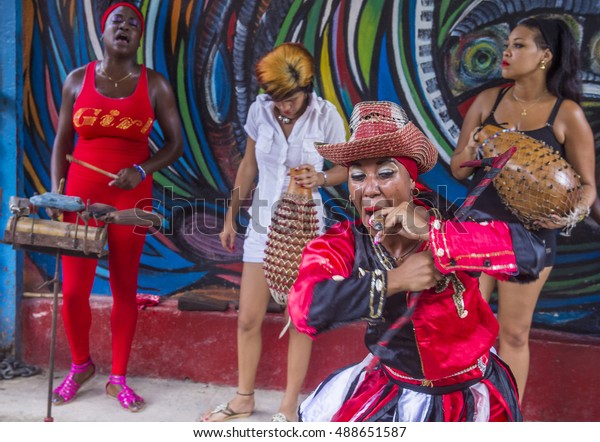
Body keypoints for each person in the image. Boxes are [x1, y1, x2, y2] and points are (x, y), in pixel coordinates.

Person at [287, 100, 544, 422]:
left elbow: (530, 256)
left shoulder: (451, 220)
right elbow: (305, 309)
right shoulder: (345, 242)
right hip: (392, 391)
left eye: (384, 173)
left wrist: (435, 234)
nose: (369, 189)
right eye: (356, 176)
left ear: (411, 180)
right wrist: (395, 281)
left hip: (472, 394)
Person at [450, 16, 596, 400]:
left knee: (513, 333)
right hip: (479, 231)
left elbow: (587, 187)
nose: (507, 52)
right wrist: (479, 146)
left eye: (518, 45)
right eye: (506, 44)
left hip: (530, 238)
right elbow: (456, 165)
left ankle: (504, 418)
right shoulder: (488, 101)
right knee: (465, 327)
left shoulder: (566, 115)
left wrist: (571, 214)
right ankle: (464, 410)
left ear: (544, 55)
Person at [200, 43, 347, 422]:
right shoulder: (259, 112)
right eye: (277, 98)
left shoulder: (325, 115)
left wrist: (323, 177)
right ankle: (243, 397)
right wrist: (232, 215)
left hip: (306, 230)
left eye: (291, 98)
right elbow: (248, 165)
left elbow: (349, 167)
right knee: (248, 317)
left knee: (299, 318)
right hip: (263, 225)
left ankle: (288, 406)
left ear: (307, 88)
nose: (284, 106)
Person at [49, 2, 183, 412]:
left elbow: (176, 145)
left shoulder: (155, 84)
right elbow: (61, 144)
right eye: (116, 22)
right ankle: (80, 365)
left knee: (124, 287)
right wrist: (57, 191)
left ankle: (118, 378)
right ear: (103, 33)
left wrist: (141, 168)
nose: (124, 28)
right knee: (73, 290)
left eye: (132, 25)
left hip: (131, 192)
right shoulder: (77, 80)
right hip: (81, 194)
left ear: (139, 38)